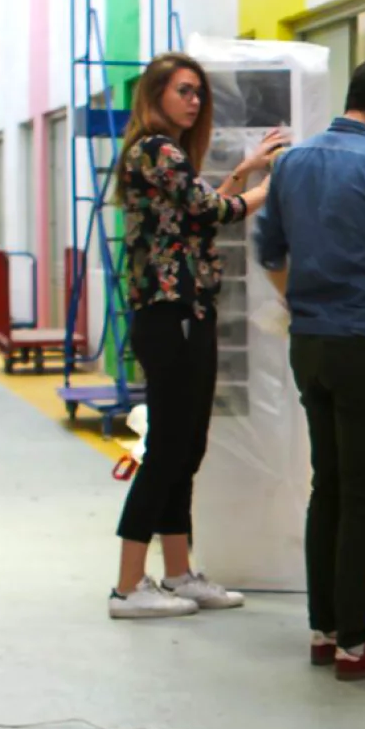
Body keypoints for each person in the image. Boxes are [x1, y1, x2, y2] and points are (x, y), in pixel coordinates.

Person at [253, 51, 365, 678]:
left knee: (327, 488)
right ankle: (358, 640)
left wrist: (304, 303)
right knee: (363, 498)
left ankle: (325, 629)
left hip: (310, 343)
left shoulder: (291, 162)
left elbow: (268, 249)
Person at [109, 52, 285, 618]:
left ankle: (179, 572)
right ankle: (128, 585)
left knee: (185, 447)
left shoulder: (166, 156)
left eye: (199, 94)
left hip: (184, 314)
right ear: (156, 93)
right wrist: (272, 187)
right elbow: (215, 210)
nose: (194, 101)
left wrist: (249, 170)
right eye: (184, 91)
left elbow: (197, 207)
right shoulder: (155, 149)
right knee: (166, 450)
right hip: (172, 315)